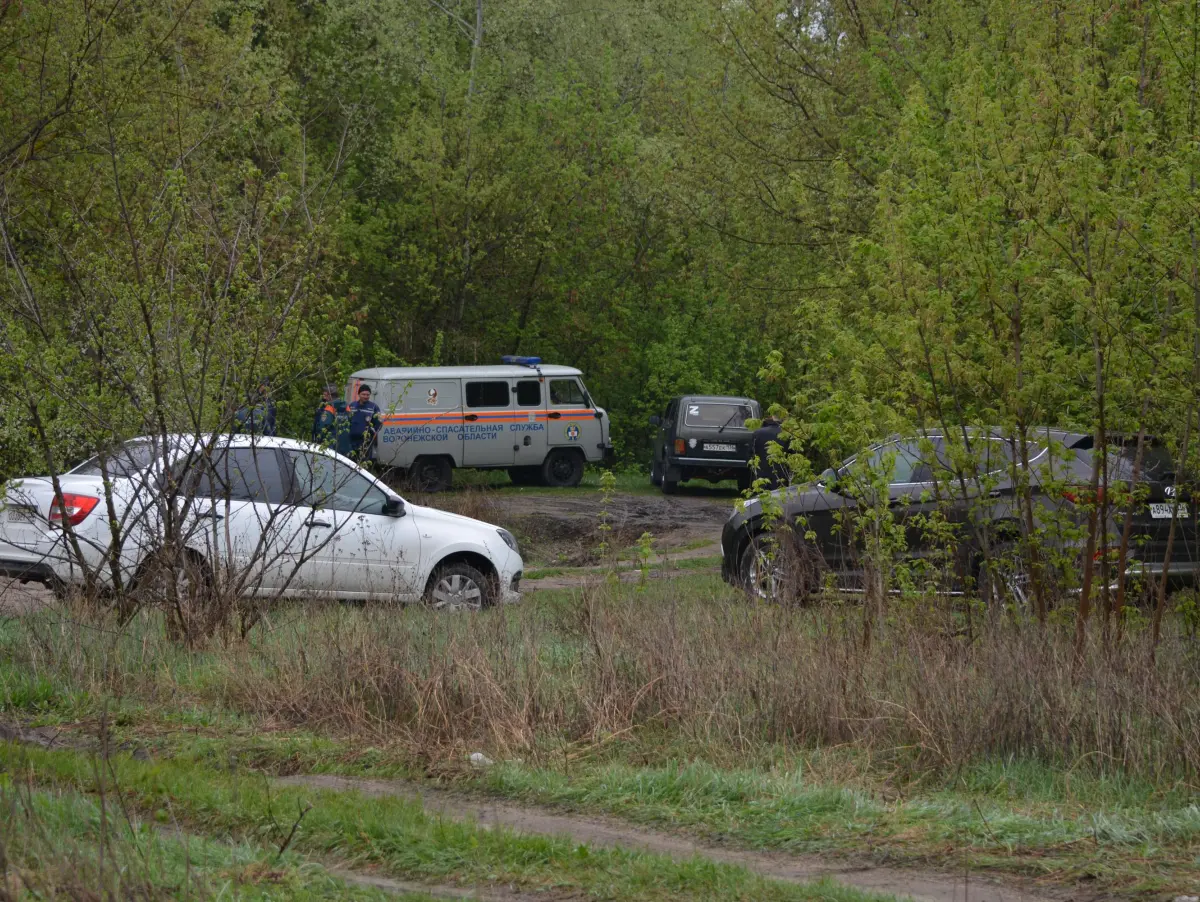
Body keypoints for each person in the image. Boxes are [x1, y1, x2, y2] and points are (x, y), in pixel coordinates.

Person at [750, 416, 790, 489]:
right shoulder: (787, 434)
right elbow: (791, 454)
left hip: (761, 472)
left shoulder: (757, 433)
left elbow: (751, 453)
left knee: (761, 496)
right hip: (781, 473)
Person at [347, 383, 383, 463]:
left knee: (363, 464)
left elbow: (379, 424)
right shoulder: (352, 406)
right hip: (351, 441)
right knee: (350, 463)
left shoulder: (374, 407)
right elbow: (347, 421)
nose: (366, 396)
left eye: (368, 395)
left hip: (365, 442)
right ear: (359, 394)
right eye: (363, 394)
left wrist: (371, 433)